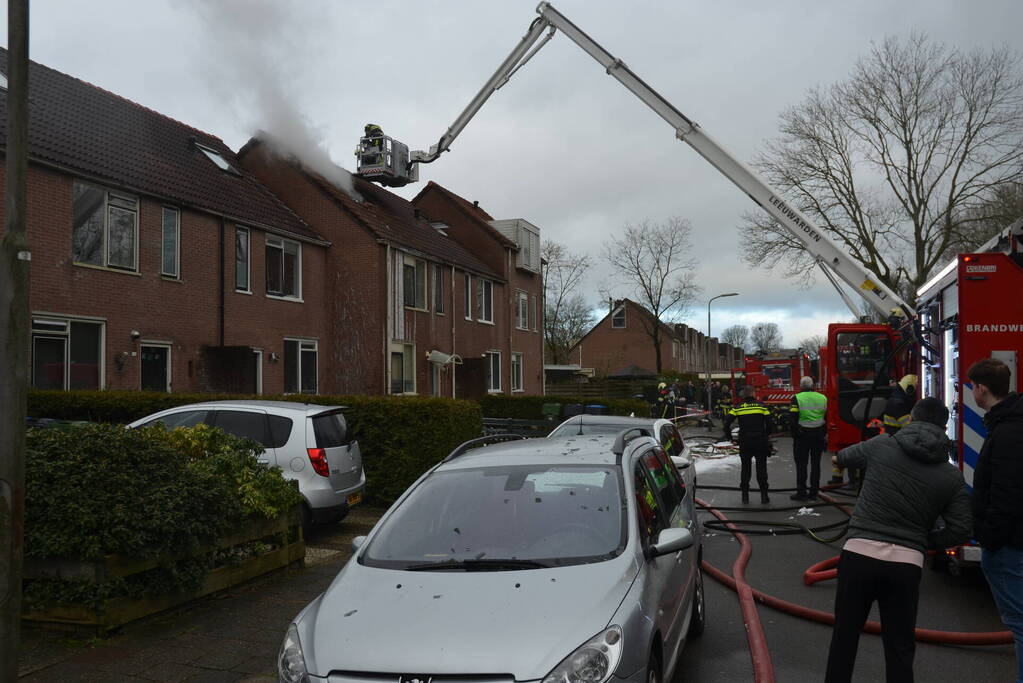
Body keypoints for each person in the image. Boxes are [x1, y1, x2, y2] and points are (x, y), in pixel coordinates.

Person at [824, 397, 972, 683]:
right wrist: (924, 541)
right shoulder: (952, 477)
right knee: (900, 647)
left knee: (845, 637)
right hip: (905, 567)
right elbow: (962, 529)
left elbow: (841, 458)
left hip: (858, 556)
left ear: (911, 419)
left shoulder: (882, 445)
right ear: (944, 427)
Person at [967, 357, 1023, 682]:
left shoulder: (1007, 433)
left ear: (981, 389)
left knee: (1019, 622)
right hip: (1012, 540)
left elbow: (1007, 494)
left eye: (973, 387)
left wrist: (988, 536)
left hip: (1008, 545)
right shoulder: (1009, 424)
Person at [723, 386, 773, 504]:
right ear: (753, 394)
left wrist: (730, 438)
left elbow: (726, 423)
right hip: (760, 441)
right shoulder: (762, 406)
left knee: (746, 469)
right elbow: (770, 423)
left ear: (744, 395)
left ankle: (745, 497)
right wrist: (766, 435)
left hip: (745, 442)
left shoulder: (738, 407)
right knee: (761, 469)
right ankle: (764, 496)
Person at [789, 376, 828, 501]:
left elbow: (793, 418)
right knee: (816, 464)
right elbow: (826, 416)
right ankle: (814, 492)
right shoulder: (822, 398)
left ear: (801, 386)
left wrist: (795, 435)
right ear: (813, 386)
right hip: (818, 435)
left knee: (802, 464)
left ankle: (801, 492)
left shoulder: (796, 398)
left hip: (803, 436)